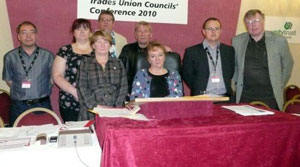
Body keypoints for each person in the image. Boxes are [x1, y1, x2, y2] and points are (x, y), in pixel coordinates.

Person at [232, 9, 294, 110]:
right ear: (245, 24)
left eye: (256, 21)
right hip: (245, 96)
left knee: (271, 125)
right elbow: (234, 66)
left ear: (263, 21)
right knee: (246, 126)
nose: (253, 25)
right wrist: (235, 84)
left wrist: (279, 84)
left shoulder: (279, 40)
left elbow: (288, 64)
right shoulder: (237, 41)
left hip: (270, 97)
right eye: (249, 22)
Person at [2, 21, 54, 125]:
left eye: (32, 32)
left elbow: (52, 79)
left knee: (46, 135)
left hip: (42, 105)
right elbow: (9, 80)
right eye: (24, 32)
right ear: (19, 36)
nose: (28, 36)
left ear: (36, 35)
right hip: (18, 106)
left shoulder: (48, 56)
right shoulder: (10, 57)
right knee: (17, 137)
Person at [77, 31, 128, 120]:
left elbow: (123, 87)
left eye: (105, 42)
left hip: (114, 111)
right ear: (93, 45)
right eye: (98, 42)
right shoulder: (85, 63)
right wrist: (95, 107)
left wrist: (116, 108)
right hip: (91, 112)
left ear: (110, 45)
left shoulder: (118, 62)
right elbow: (81, 88)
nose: (102, 45)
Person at [182, 17, 235, 99]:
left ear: (221, 31)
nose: (213, 32)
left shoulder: (229, 51)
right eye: (210, 29)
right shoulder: (191, 52)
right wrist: (198, 87)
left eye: (216, 29)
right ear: (203, 31)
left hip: (226, 98)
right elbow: (186, 75)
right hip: (201, 99)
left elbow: (230, 72)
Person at [52, 19, 92, 122]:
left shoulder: (99, 50)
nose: (82, 31)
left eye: (85, 28)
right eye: (78, 29)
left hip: (93, 101)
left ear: (90, 32)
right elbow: (57, 75)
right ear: (73, 32)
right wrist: (75, 93)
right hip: (70, 100)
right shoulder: (65, 50)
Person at [119, 21, 172, 95]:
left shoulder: (157, 50)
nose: (142, 34)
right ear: (135, 34)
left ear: (150, 34)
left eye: (145, 31)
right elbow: (120, 72)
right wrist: (125, 91)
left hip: (153, 88)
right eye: (139, 31)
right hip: (130, 91)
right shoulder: (127, 49)